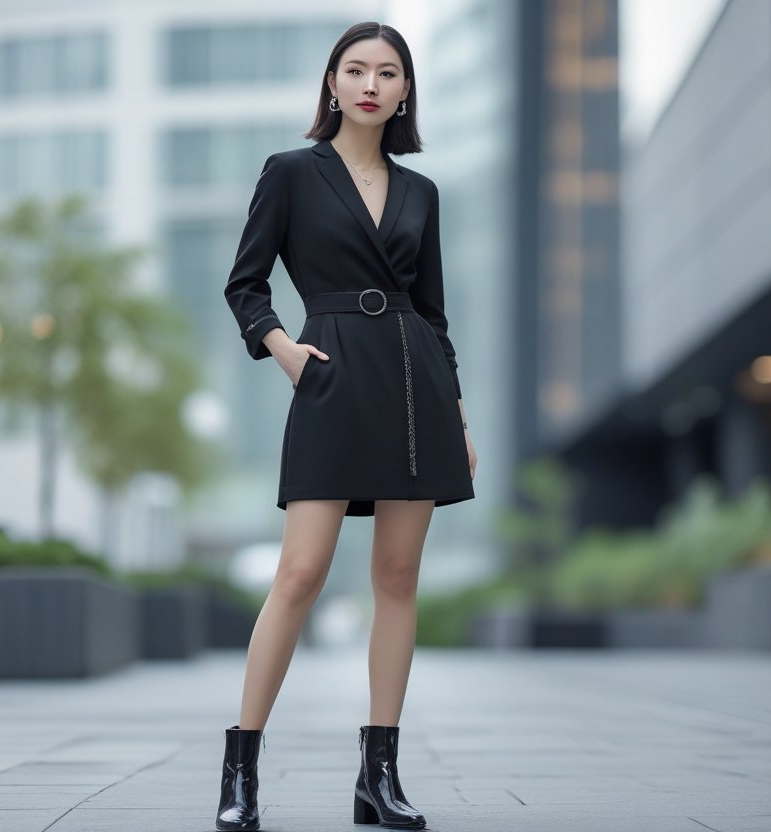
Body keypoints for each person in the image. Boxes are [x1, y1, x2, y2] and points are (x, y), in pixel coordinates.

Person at [217, 20, 476, 831]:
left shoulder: (421, 193)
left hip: (414, 388)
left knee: (397, 580)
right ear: (332, 83)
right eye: (355, 69)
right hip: (329, 376)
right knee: (299, 575)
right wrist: (284, 351)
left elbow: (434, 313)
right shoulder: (291, 174)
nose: (371, 83)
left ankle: (379, 779)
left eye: (388, 72)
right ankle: (239, 775)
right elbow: (245, 283)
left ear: (405, 92)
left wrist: (458, 411)